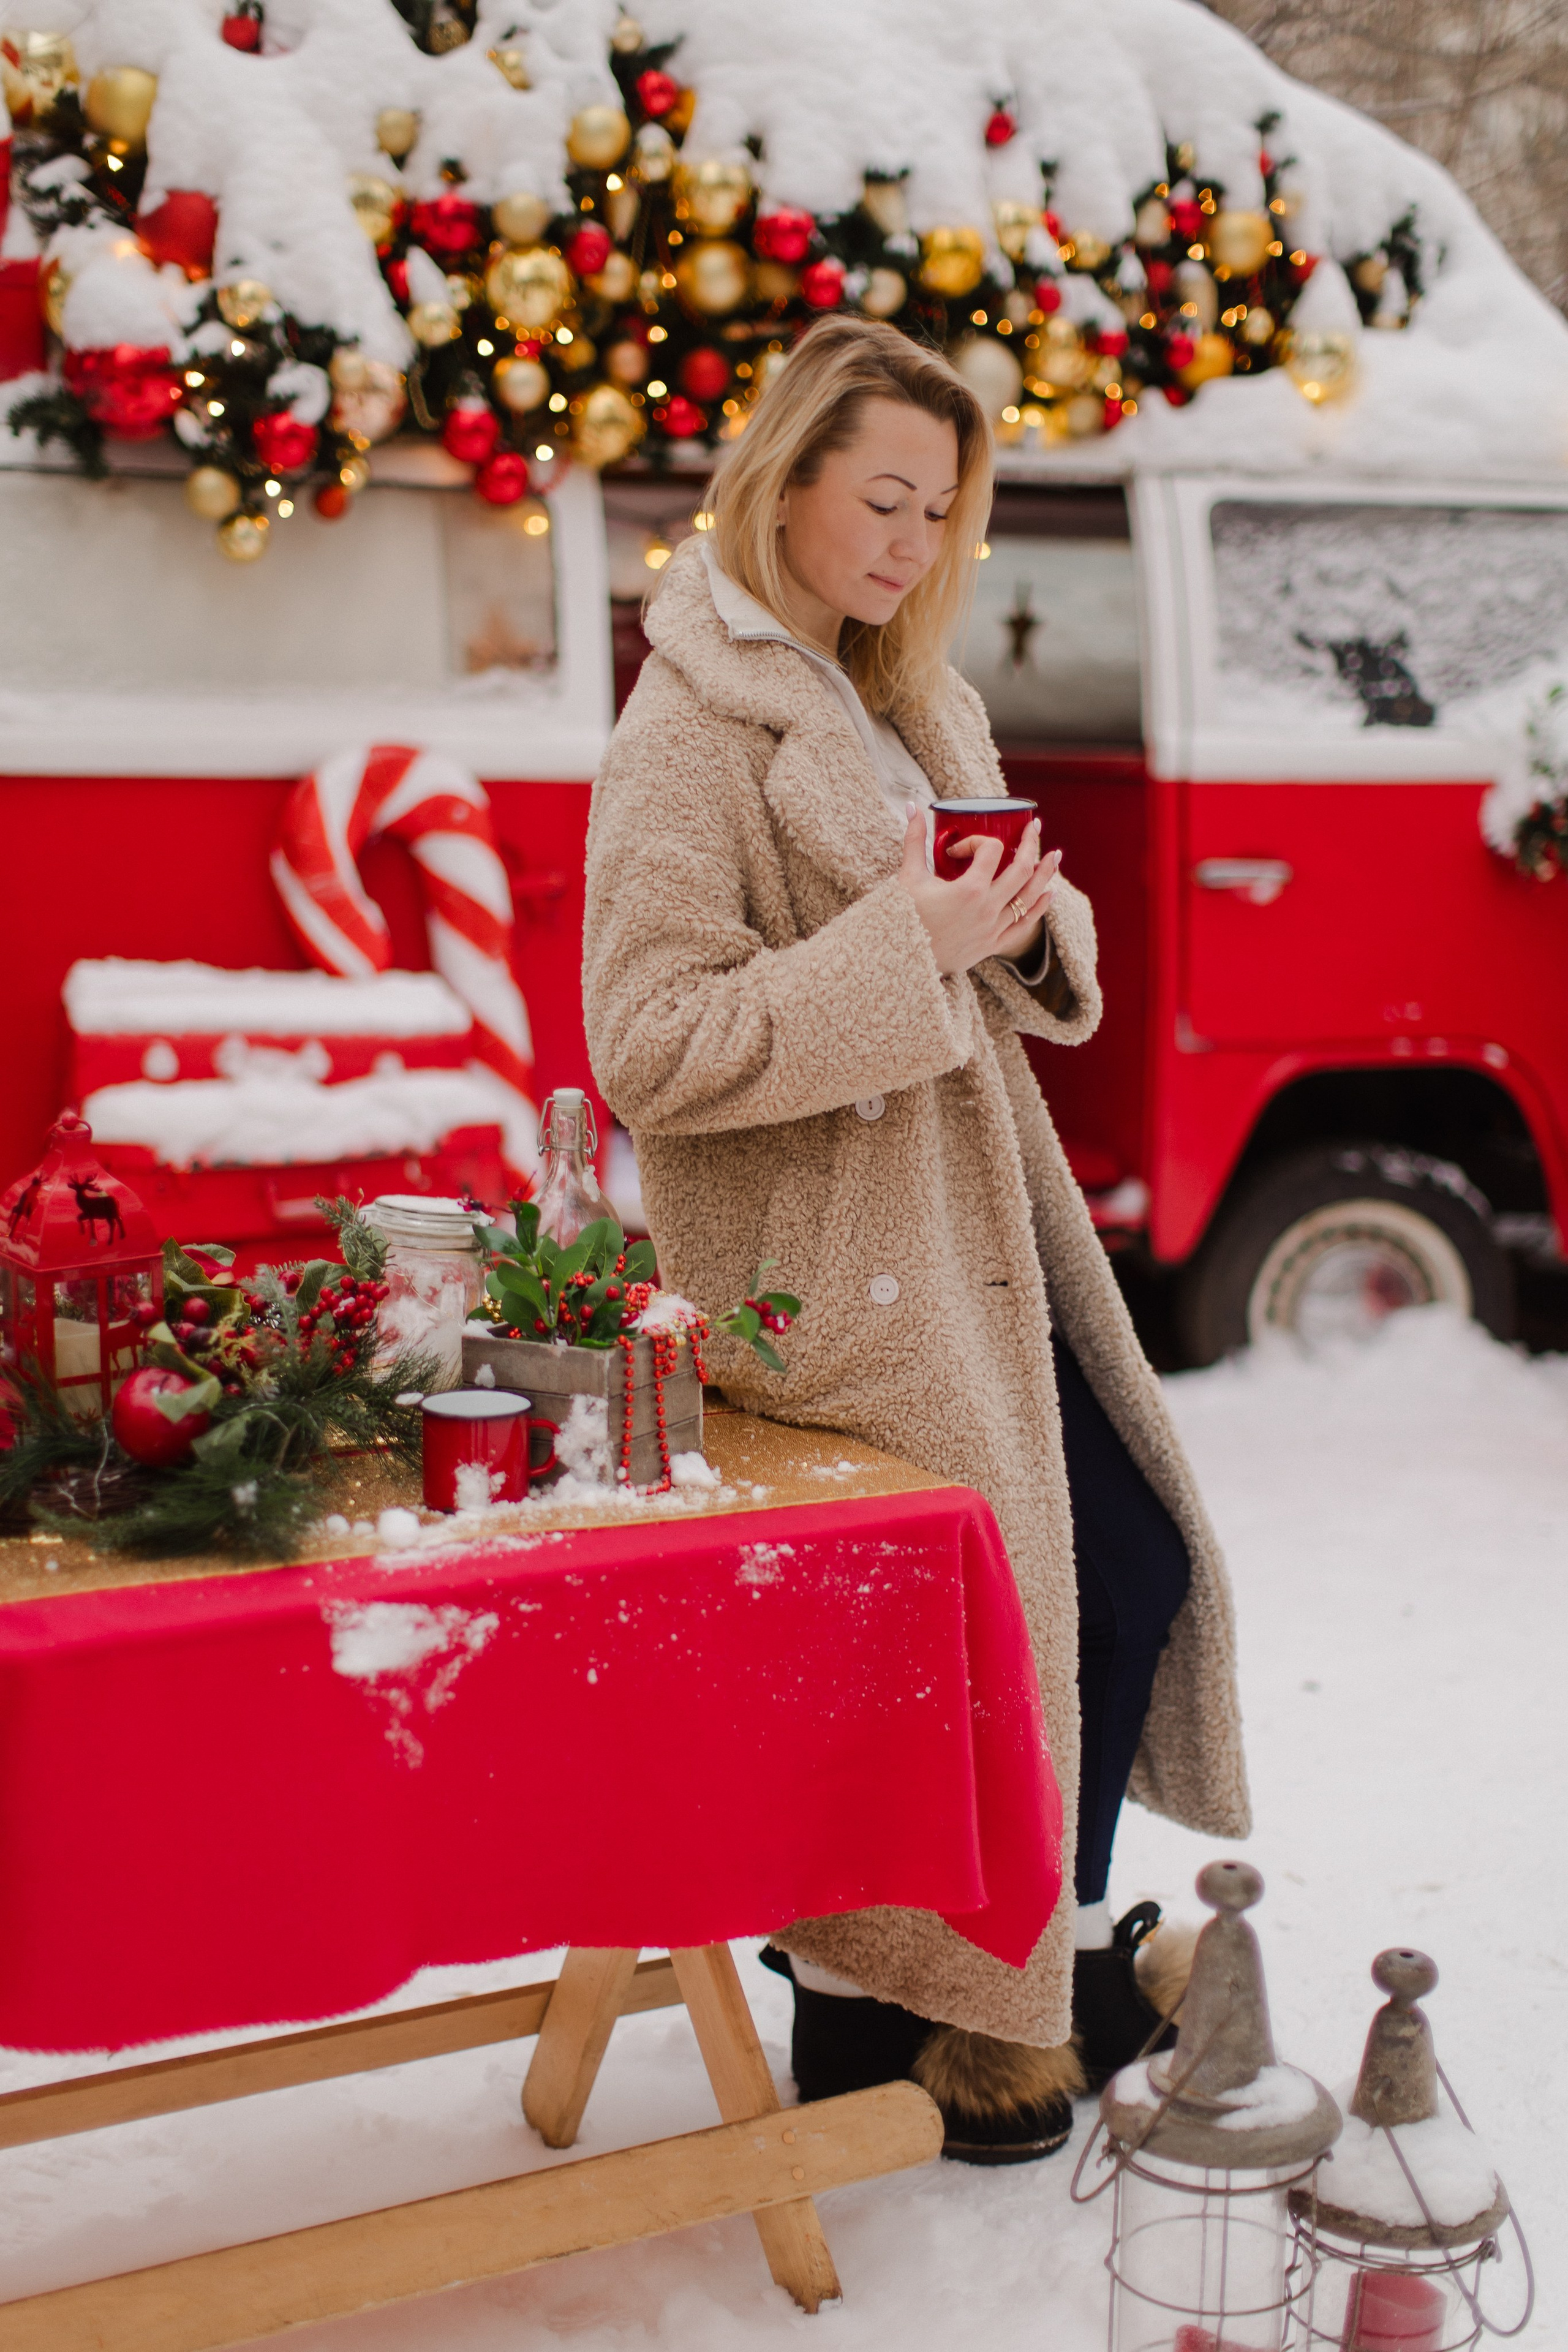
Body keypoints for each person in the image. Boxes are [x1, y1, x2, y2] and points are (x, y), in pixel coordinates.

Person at [582, 314, 1249, 2162]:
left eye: (937, 511)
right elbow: (650, 1046)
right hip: (825, 1279)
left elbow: (1015, 957)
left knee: (1119, 1574)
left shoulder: (917, 693)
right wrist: (914, 953)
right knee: (964, 1644)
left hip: (975, 1231)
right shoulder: (689, 728)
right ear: (783, 479)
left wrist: (1022, 930)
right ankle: (903, 2016)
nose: (909, 542)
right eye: (881, 499)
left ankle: (1006, 1980)